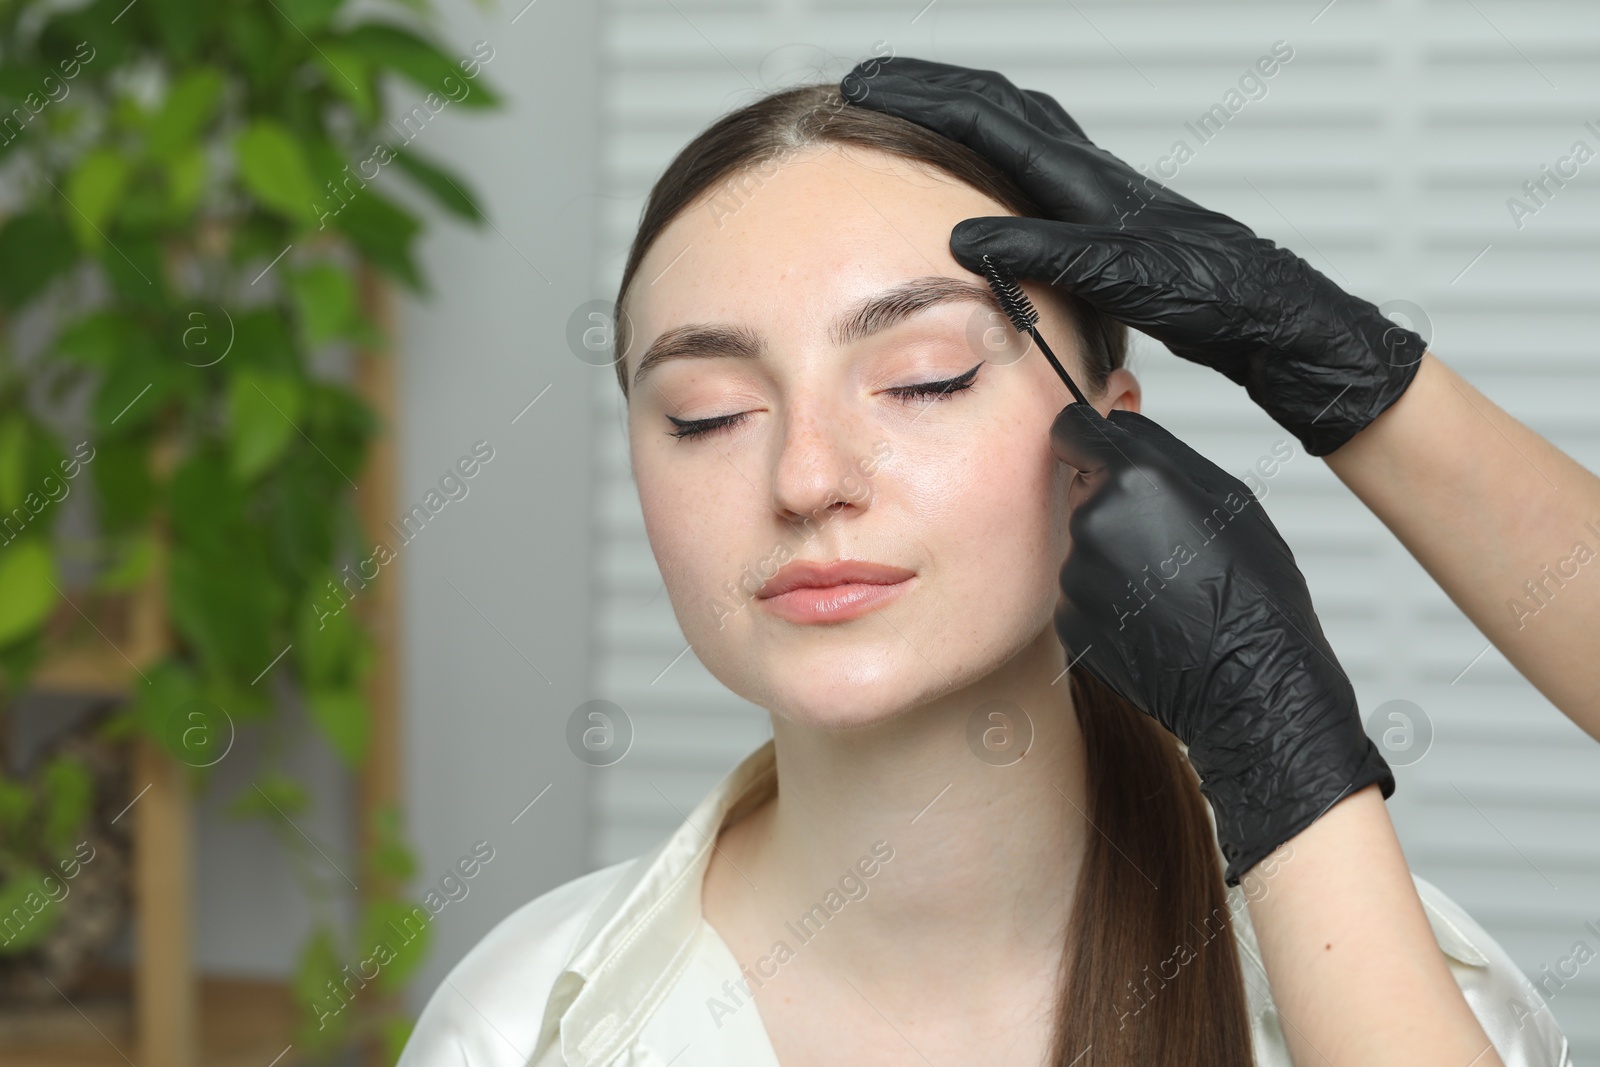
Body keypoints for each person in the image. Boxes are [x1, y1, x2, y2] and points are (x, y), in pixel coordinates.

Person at [397, 67, 1578, 1067]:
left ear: (1112, 445)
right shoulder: (525, 1026)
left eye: (925, 377)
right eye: (707, 412)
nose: (808, 479)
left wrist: (1283, 752)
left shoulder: (1413, 996)